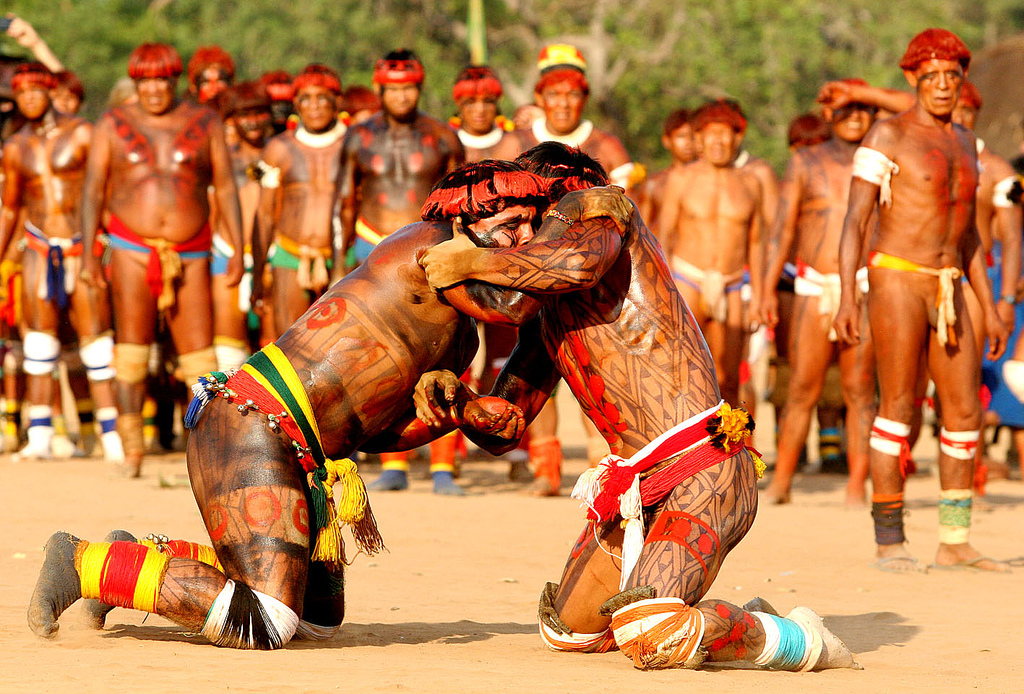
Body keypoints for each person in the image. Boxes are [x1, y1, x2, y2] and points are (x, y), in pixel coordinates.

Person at [26, 159, 568, 649]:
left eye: (531, 227)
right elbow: (520, 304)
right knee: (267, 619)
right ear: (467, 217)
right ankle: (84, 564)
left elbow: (378, 434)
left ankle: (139, 559)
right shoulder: (427, 246)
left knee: (317, 619)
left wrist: (461, 410)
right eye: (512, 223)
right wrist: (578, 235)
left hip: (306, 457)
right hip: (251, 421)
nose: (523, 239)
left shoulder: (463, 339)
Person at [416, 143, 856, 672]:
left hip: (705, 468)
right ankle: (708, 615)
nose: (523, 234)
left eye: (528, 215)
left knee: (652, 634)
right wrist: (460, 401)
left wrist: (476, 259)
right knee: (568, 633)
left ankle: (797, 640)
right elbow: (503, 430)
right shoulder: (548, 310)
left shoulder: (599, 212)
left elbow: (576, 265)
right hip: (634, 490)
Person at [833, 28, 1011, 573]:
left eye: (951, 76)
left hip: (951, 283)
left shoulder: (967, 145)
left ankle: (954, 539)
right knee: (899, 406)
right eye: (930, 76)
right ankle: (890, 540)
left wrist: (993, 303)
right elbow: (855, 220)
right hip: (896, 279)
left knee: (963, 411)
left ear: (962, 82)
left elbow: (971, 237)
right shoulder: (887, 135)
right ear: (913, 80)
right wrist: (847, 297)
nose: (941, 86)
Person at [78, 43, 244, 477]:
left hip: (191, 252)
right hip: (132, 249)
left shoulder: (204, 121)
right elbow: (93, 190)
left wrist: (240, 248)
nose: (154, 88)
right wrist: (89, 258)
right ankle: (133, 449)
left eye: (162, 79)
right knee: (132, 353)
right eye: (145, 80)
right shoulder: (113, 123)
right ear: (135, 83)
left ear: (175, 81)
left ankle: (209, 447)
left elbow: (225, 188)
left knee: (198, 357)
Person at [334, 48, 464, 492]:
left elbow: (465, 206)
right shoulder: (357, 138)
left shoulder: (443, 137)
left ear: (420, 88)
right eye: (393, 88)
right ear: (379, 89)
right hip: (370, 250)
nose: (402, 96)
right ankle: (393, 463)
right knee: (379, 359)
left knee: (443, 354)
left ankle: (443, 466)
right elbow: (344, 204)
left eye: (409, 87)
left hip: (430, 253)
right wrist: (338, 267)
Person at [760, 84, 880, 506]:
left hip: (864, 285)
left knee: (860, 389)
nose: (855, 117)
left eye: (865, 109)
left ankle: (856, 486)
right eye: (846, 110)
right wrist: (766, 290)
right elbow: (782, 230)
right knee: (801, 388)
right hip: (813, 285)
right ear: (828, 115)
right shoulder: (804, 161)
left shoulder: (882, 161)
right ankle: (782, 482)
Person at [0, 63, 122, 461]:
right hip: (37, 248)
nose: (29, 98)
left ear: (51, 91)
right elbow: (9, 209)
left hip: (82, 245)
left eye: (36, 89)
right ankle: (39, 435)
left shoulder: (83, 133)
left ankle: (112, 436)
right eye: (22, 92)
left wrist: (114, 244)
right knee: (38, 344)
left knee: (96, 344)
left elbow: (105, 190)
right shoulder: (15, 147)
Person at [658, 99, 764, 405]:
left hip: (732, 283)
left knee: (729, 377)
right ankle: (683, 451)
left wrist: (759, 295)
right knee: (680, 373)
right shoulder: (681, 179)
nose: (718, 140)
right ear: (699, 138)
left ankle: (730, 449)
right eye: (710, 133)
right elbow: (663, 236)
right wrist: (662, 289)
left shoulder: (750, 183)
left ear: (737, 137)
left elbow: (756, 242)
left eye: (725, 133)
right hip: (687, 278)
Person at [252, 64, 347, 339]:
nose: (314, 106)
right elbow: (265, 213)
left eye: (322, 98)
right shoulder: (277, 148)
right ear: (296, 104)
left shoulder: (353, 145)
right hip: (289, 256)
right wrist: (259, 274)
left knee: (342, 347)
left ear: (336, 102)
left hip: (342, 258)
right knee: (289, 345)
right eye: (306, 98)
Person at [492, 44, 638, 190]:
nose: (563, 104)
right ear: (539, 97)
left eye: (573, 94)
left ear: (585, 98)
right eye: (553, 94)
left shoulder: (608, 148)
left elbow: (629, 208)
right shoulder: (514, 144)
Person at [211, 81, 274, 368]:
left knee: (276, 344)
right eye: (245, 114)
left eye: (260, 112)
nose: (253, 121)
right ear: (231, 119)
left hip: (274, 256)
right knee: (228, 349)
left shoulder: (280, 152)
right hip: (226, 254)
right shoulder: (221, 159)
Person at [635, 108, 696, 244]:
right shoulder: (654, 184)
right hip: (663, 258)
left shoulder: (708, 182)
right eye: (681, 136)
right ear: (667, 140)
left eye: (693, 137)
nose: (688, 143)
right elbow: (642, 231)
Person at [450, 65, 512, 163]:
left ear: (497, 101)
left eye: (488, 101)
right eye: (470, 101)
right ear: (458, 102)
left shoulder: (513, 142)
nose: (480, 110)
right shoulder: (447, 144)